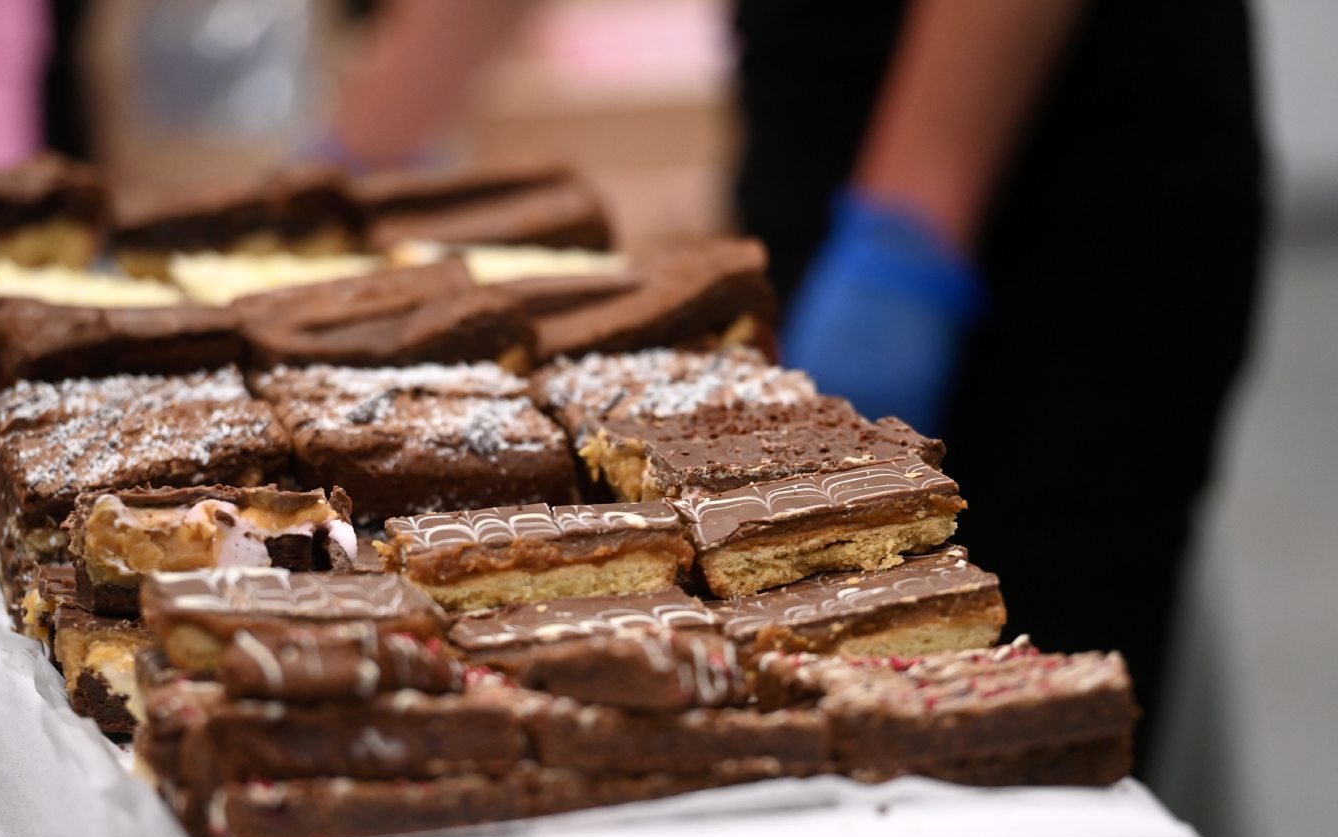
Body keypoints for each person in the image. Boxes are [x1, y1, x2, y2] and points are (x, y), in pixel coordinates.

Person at [330, 0, 1266, 773]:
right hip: (822, 145)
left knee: (1016, 745)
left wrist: (909, 235)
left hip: (1073, 191)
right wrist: (362, 151)